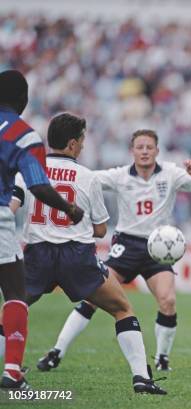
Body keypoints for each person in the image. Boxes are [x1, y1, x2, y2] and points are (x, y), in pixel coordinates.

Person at [11, 113, 166, 394]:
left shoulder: (29, 169)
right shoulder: (88, 177)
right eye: (81, 140)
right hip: (76, 256)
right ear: (72, 144)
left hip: (37, 255)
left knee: (12, 309)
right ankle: (141, 378)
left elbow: (12, 207)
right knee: (122, 309)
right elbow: (100, 230)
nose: (83, 145)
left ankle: (11, 369)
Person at [37, 128, 191, 372]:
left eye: (149, 147)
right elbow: (86, 179)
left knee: (168, 300)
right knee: (92, 298)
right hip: (126, 245)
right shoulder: (119, 176)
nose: (144, 151)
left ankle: (162, 358)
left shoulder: (171, 173)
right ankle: (57, 351)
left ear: (157, 150)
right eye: (139, 147)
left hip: (158, 247)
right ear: (132, 151)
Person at [0, 70, 84, 390]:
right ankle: (12, 371)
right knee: (15, 293)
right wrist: (70, 209)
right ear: (23, 100)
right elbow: (38, 185)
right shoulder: (24, 135)